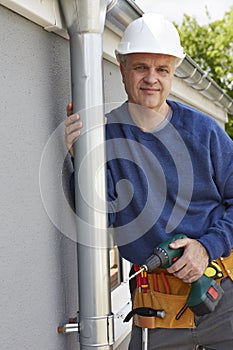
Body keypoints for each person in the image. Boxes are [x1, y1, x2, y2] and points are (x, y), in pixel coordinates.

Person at [65, 13, 233, 350]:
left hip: (222, 297)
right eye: (141, 67)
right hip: (155, 311)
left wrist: (206, 247)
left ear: (173, 74)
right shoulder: (102, 140)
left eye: (162, 70)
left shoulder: (205, 133)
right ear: (123, 68)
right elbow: (99, 218)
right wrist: (80, 158)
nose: (151, 79)